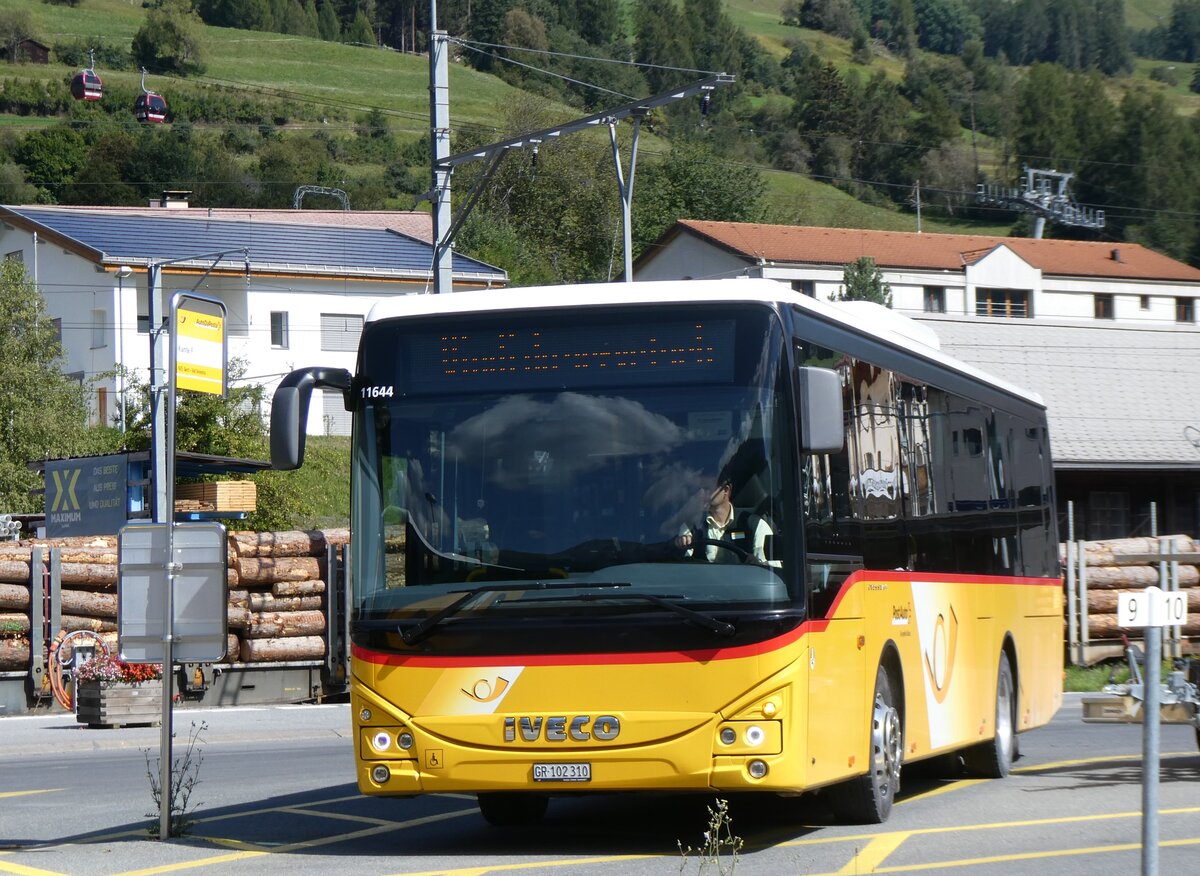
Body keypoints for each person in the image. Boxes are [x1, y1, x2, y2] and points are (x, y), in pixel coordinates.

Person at [674, 464, 775, 566]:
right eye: (699, 489)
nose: (701, 494)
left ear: (726, 490)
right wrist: (680, 545)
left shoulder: (755, 525)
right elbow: (681, 568)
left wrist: (756, 563)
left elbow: (772, 572)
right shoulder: (691, 528)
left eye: (707, 489)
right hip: (702, 581)